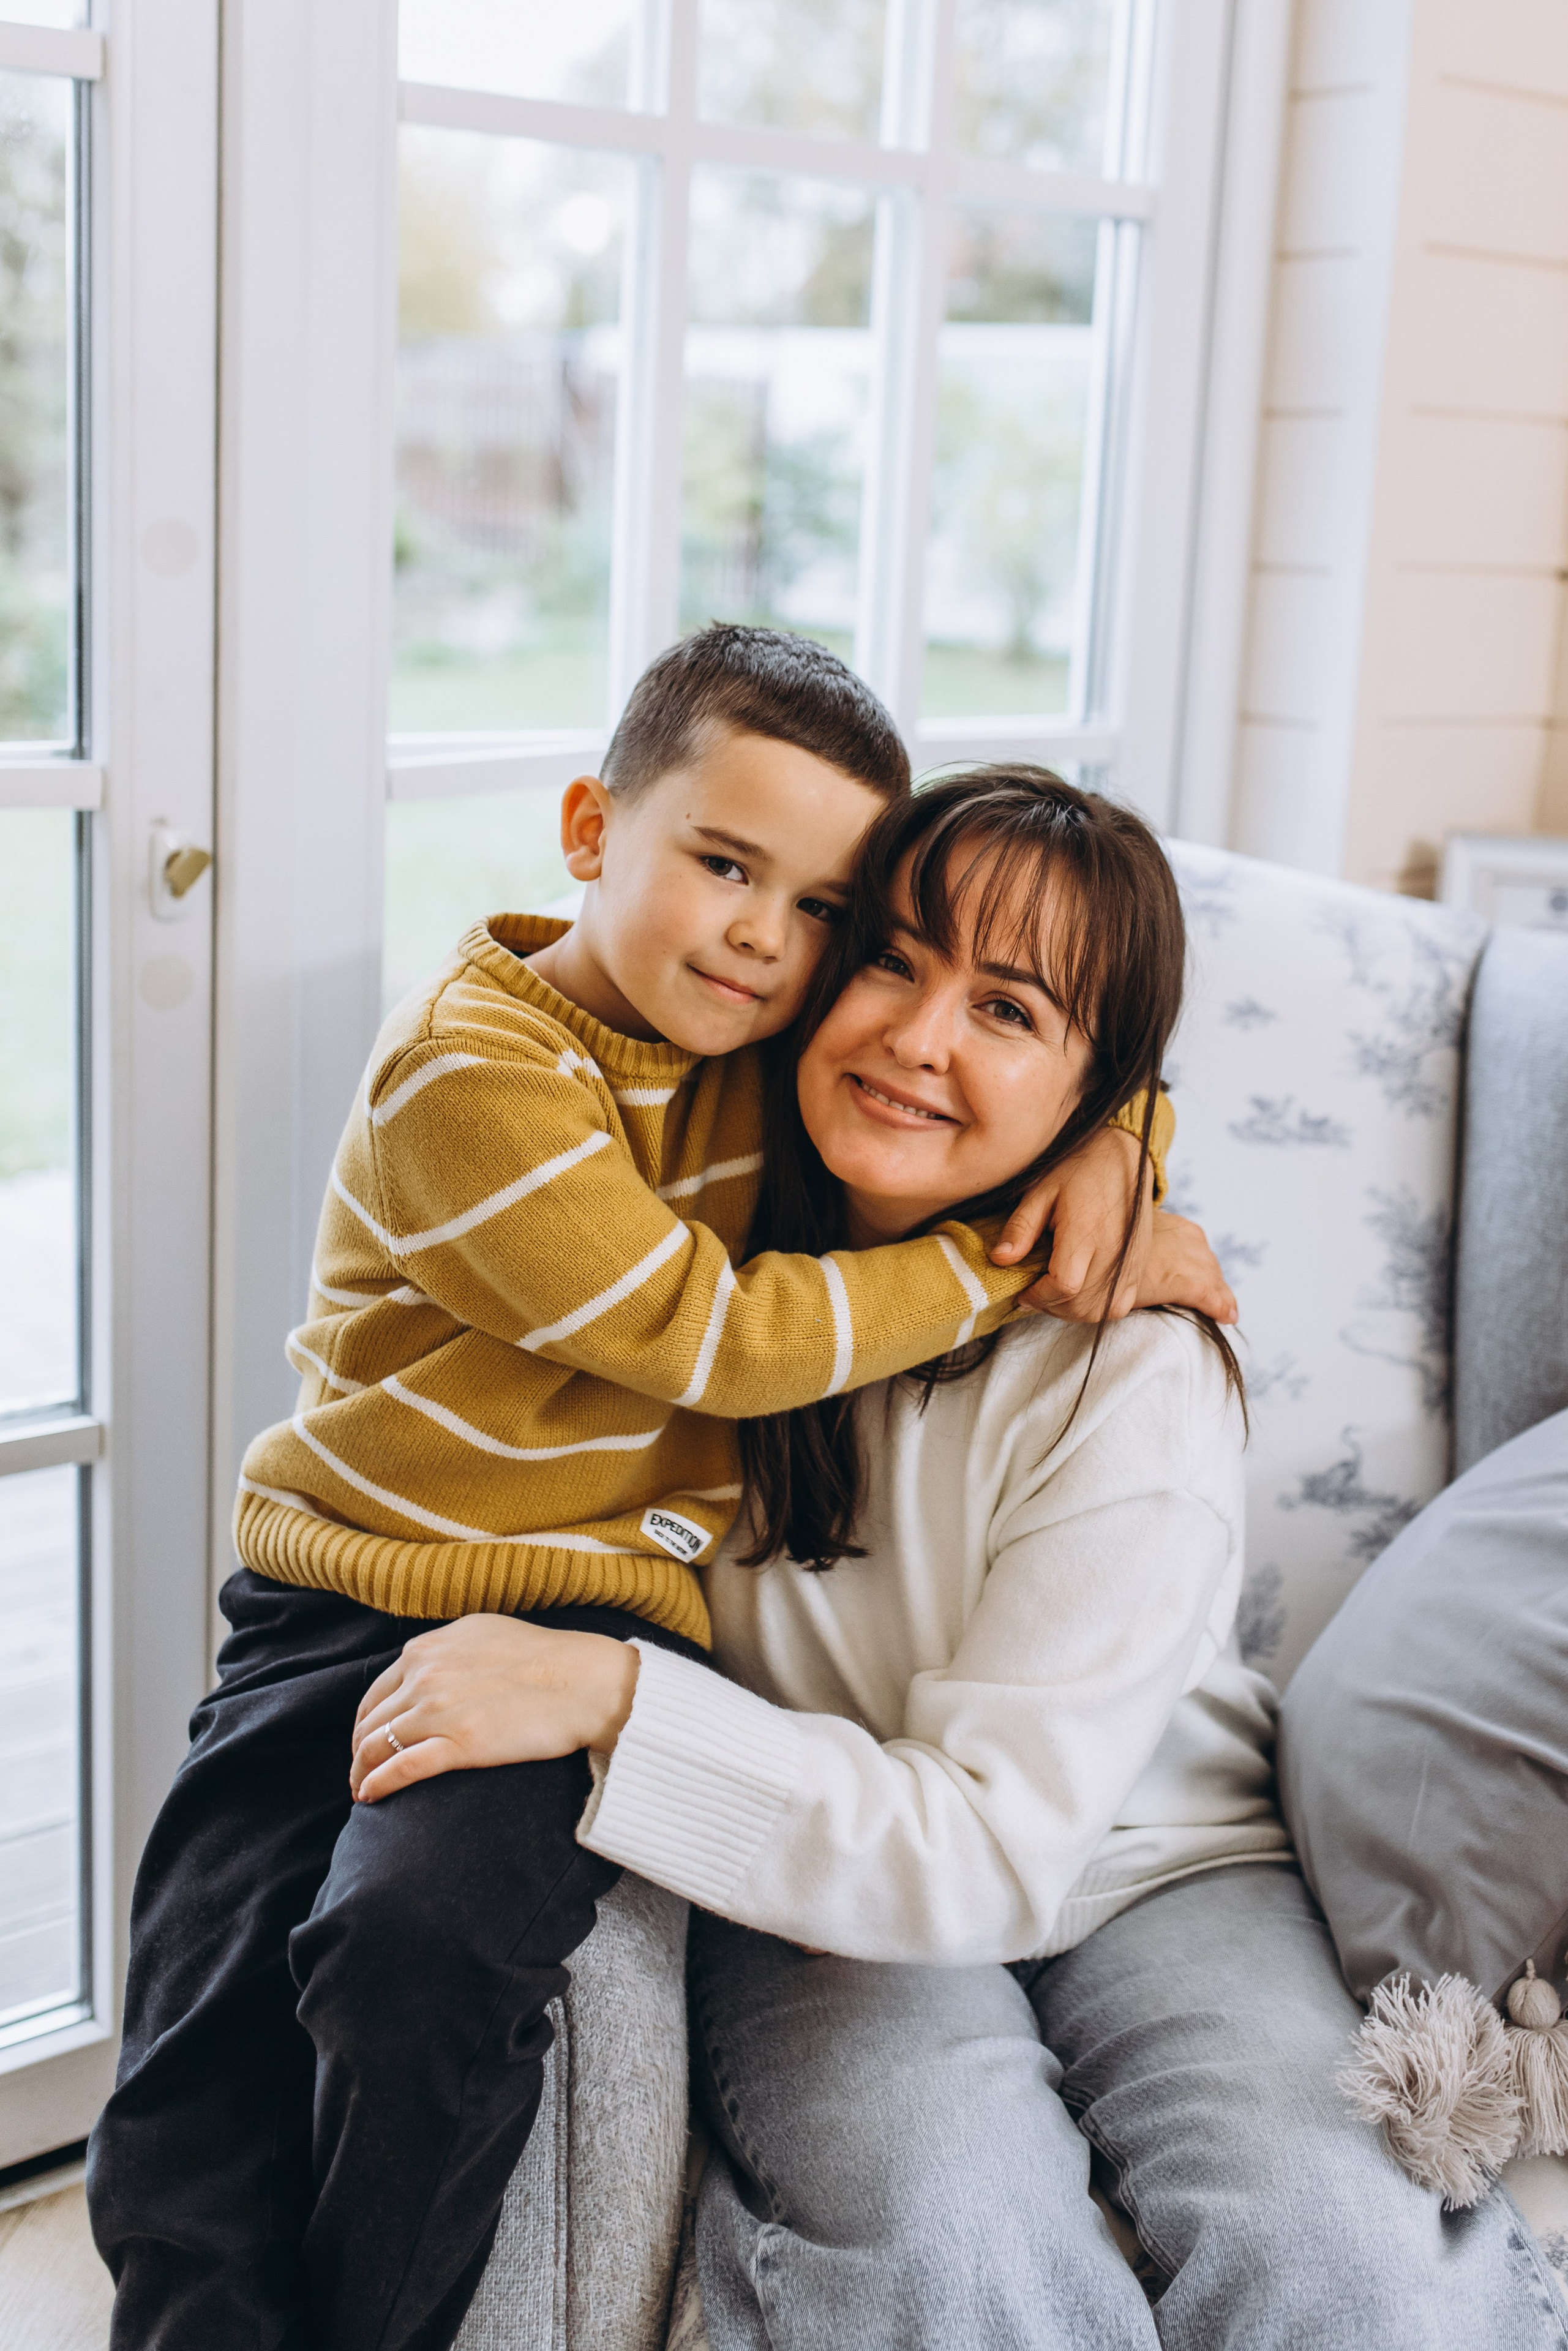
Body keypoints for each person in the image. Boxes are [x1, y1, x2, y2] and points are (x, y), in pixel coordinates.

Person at [88, 633, 1226, 2351]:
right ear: (586, 828)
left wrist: (1113, 1144)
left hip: (588, 1606)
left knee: (411, 1950)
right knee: (197, 2031)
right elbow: (708, 1335)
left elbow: (1007, 1045)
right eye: (721, 865)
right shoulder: (475, 1080)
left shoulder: (763, 1054)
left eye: (823, 911)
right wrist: (1008, 1258)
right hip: (339, 1593)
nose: (768, 940)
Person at [353, 769, 1564, 2350]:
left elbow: (995, 1847)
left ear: (1093, 1091)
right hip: (820, 1891)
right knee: (957, 2254)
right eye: (889, 960)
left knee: (1349, 2263)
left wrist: (618, 1699)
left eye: (1005, 1010)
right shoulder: (677, 1256)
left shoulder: (1127, 1356)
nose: (919, 1038)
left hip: (1152, 1860)